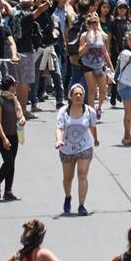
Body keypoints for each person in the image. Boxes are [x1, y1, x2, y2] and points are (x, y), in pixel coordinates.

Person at [55, 85, 99, 215]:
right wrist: (58, 140)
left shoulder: (89, 111)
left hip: (84, 147)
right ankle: (68, 196)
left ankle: (81, 205)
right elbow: (59, 128)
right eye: (76, 94)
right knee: (68, 178)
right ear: (71, 96)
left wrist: (96, 139)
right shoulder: (63, 111)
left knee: (82, 173)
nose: (78, 96)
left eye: (81, 94)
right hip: (66, 148)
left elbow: (92, 126)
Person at [0, 75, 26, 201]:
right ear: (9, 86)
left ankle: (8, 191)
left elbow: (19, 115)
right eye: (14, 84)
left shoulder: (14, 100)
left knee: (11, 163)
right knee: (9, 161)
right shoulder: (0, 101)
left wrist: (22, 119)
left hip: (14, 134)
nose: (15, 87)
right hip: (1, 136)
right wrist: (4, 139)